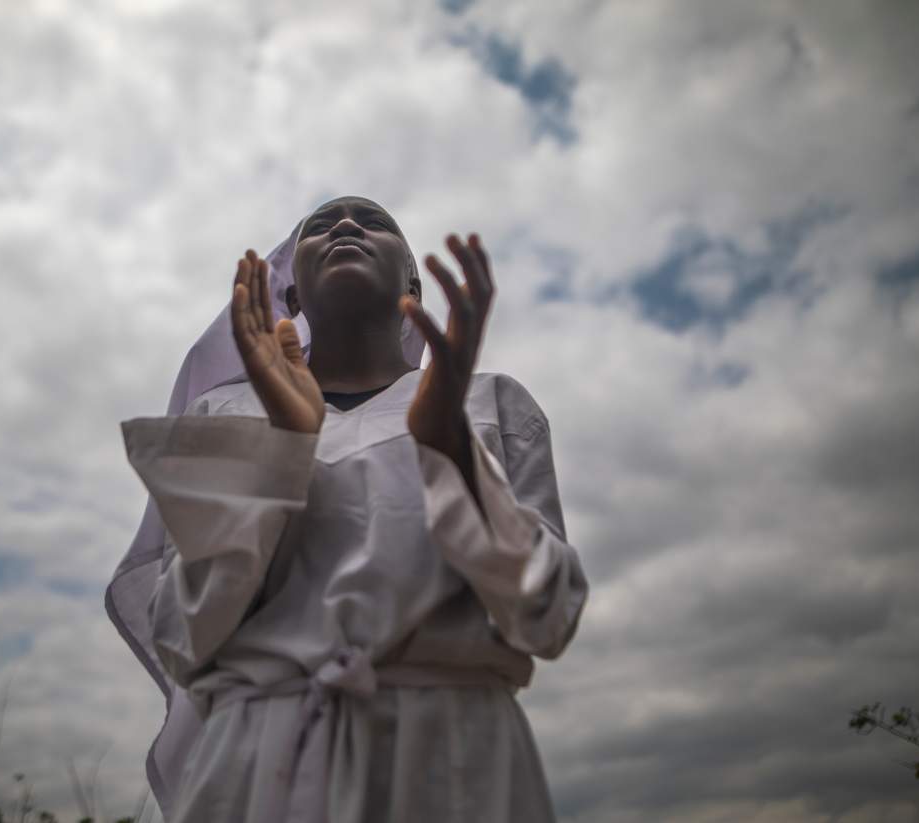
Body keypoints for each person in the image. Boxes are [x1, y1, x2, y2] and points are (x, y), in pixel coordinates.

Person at [107, 195, 589, 823]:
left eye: (375, 222)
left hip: (454, 759)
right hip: (257, 766)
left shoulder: (488, 402)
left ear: (412, 282)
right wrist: (282, 446)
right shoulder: (229, 416)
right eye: (319, 227)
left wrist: (448, 445)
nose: (345, 226)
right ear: (295, 298)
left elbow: (545, 615)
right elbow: (183, 634)